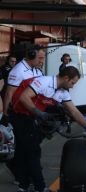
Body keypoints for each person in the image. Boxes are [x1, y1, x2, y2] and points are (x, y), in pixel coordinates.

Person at [11, 66, 86, 192]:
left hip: (32, 117)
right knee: (33, 152)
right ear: (66, 78)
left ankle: (23, 187)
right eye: (72, 83)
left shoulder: (62, 92)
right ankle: (40, 189)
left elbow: (74, 111)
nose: (72, 86)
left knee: (23, 152)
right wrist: (39, 113)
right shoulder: (44, 82)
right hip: (21, 116)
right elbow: (24, 97)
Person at [3, 45, 45, 183]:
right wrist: (6, 115)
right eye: (40, 57)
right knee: (29, 147)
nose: (42, 60)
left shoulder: (37, 70)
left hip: (32, 112)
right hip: (20, 114)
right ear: (31, 55)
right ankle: (26, 175)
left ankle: (20, 173)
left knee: (23, 147)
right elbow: (9, 92)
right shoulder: (18, 70)